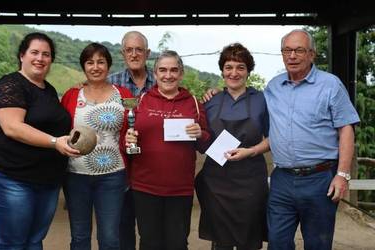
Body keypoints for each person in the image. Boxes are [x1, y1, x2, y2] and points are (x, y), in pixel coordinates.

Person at [0, 32, 79, 250]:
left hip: (46, 177)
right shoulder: (11, 84)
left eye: (46, 54)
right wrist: (54, 142)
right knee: (11, 241)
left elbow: (52, 123)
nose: (40, 58)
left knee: (34, 240)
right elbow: (12, 127)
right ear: (22, 55)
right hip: (9, 173)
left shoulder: (49, 90)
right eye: (34, 52)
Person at [264, 29, 360, 250]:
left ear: (312, 55)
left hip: (320, 180)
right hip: (282, 179)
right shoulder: (273, 87)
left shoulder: (330, 85)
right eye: (287, 50)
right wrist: (218, 94)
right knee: (277, 243)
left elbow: (346, 129)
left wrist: (342, 175)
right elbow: (249, 105)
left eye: (299, 50)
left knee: (318, 244)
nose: (292, 56)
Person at [125, 50, 210, 250]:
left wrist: (200, 133)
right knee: (149, 242)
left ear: (181, 74)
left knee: (177, 243)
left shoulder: (194, 104)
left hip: (180, 189)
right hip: (145, 186)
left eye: (174, 70)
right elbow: (127, 138)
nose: (168, 75)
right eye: (162, 70)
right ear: (154, 74)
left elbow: (205, 145)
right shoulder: (141, 101)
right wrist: (127, 140)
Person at [195, 43, 269, 250]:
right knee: (221, 242)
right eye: (229, 67)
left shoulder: (262, 100)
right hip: (217, 182)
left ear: (248, 71)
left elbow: (274, 138)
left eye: (240, 67)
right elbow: (202, 142)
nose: (234, 73)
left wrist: (251, 151)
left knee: (250, 241)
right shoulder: (210, 101)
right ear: (222, 70)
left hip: (251, 181)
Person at [61, 43, 133, 250]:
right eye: (90, 62)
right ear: (83, 67)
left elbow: (134, 123)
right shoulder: (72, 95)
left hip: (113, 175)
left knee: (110, 238)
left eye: (101, 62)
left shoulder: (124, 94)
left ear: (108, 65)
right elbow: (59, 128)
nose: (95, 67)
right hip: (76, 174)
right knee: (80, 236)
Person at [108, 31, 155, 250]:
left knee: (151, 229)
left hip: (152, 166)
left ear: (148, 53)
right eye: (129, 50)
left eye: (139, 50)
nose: (134, 54)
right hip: (120, 165)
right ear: (122, 53)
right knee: (122, 226)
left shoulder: (162, 81)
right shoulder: (110, 84)